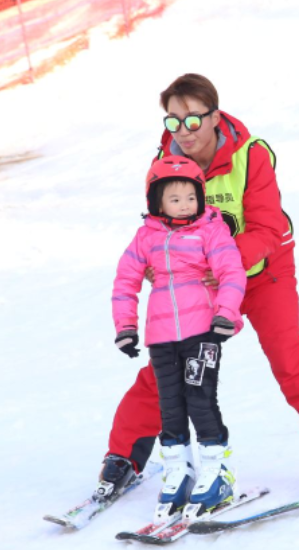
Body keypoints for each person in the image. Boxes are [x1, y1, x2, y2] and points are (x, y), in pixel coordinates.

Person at [96, 73, 299, 502]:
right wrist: (160, 264)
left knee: (288, 357)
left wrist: (224, 262)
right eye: (173, 121)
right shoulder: (165, 159)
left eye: (193, 120)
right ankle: (123, 459)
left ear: (214, 116)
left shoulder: (250, 155)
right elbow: (159, 228)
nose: (183, 132)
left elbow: (269, 228)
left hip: (264, 272)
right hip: (200, 281)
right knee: (165, 368)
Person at [103, 156, 247, 520]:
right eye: (174, 198)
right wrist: (126, 327)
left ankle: (218, 470)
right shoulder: (146, 237)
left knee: (199, 399)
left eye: (190, 197)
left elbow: (231, 271)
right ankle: (178, 470)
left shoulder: (212, 230)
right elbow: (125, 281)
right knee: (170, 405)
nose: (185, 205)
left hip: (203, 332)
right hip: (161, 336)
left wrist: (225, 315)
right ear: (157, 203)